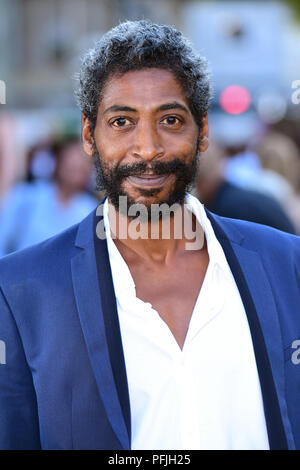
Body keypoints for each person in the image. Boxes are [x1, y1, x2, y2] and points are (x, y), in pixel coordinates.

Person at [0, 20, 299, 451]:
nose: (147, 148)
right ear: (89, 135)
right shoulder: (21, 290)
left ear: (204, 132)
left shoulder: (287, 265)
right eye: (122, 121)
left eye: (171, 119)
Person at [0, 137, 98, 257]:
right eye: (70, 163)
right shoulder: (28, 196)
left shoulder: (89, 210)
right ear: (58, 162)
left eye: (80, 166)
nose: (74, 167)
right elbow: (3, 237)